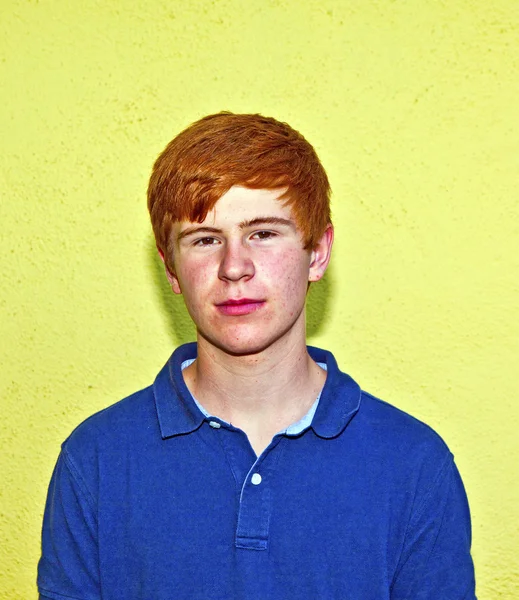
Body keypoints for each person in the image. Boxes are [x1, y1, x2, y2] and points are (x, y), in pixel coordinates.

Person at [38, 112, 476, 599]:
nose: (234, 267)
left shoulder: (414, 465)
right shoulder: (95, 460)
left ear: (318, 252)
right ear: (171, 269)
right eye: (204, 239)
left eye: (263, 233)